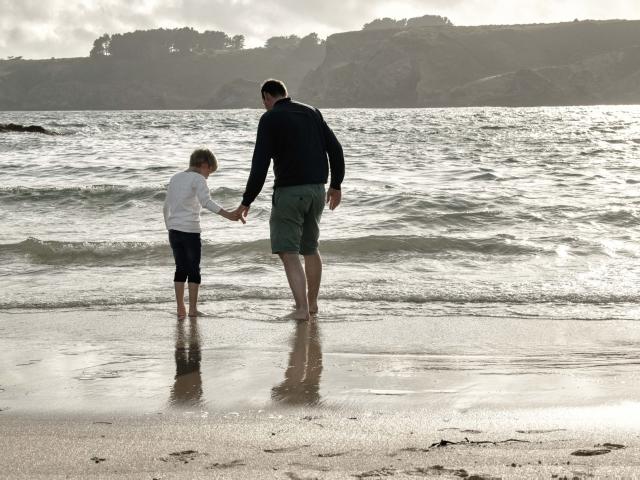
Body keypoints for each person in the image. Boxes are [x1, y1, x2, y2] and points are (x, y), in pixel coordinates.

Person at [234, 79, 345, 321]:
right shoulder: (312, 112)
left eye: (263, 102)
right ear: (285, 93)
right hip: (317, 190)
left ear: (266, 97)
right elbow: (336, 149)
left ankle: (301, 309)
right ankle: (313, 305)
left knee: (288, 251)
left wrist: (246, 200)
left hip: (289, 192)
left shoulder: (270, 118)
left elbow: (260, 164)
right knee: (310, 248)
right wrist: (336, 185)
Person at [163, 148, 243, 319]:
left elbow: (166, 206)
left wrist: (169, 226)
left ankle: (180, 308)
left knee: (180, 268)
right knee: (193, 270)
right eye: (210, 171)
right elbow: (206, 202)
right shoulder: (198, 178)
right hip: (190, 231)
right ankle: (192, 309)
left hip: (174, 231)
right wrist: (229, 215)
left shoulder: (175, 178)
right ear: (204, 165)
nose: (208, 176)